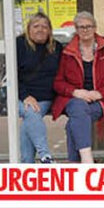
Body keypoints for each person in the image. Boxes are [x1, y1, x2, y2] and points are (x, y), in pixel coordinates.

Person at [51, 11, 104, 162]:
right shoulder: (68, 52)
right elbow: (58, 82)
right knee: (78, 107)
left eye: (89, 26)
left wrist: (99, 93)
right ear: (76, 29)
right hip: (75, 99)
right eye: (81, 27)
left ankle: (77, 164)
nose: (85, 30)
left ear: (95, 28)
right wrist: (75, 92)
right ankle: (87, 159)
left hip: (102, 99)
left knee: (73, 124)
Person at [15, 12, 63, 163]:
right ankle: (45, 155)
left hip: (45, 97)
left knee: (29, 120)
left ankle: (27, 166)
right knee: (31, 111)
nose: (40, 29)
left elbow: (61, 75)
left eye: (44, 26)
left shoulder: (57, 47)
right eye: (36, 26)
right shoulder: (19, 44)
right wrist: (25, 96)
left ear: (50, 30)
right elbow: (11, 74)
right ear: (28, 29)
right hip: (20, 96)